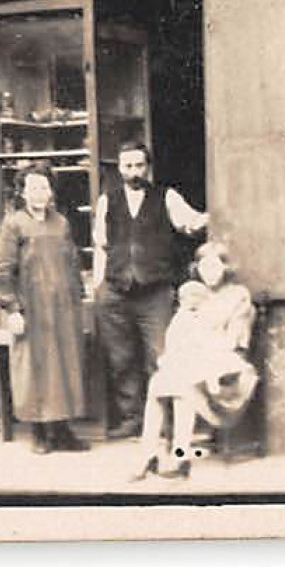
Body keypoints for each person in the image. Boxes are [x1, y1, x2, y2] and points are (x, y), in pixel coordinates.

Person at [91, 140, 209, 439]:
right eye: (127, 166)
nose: (133, 171)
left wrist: (208, 217)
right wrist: (99, 286)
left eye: (139, 165)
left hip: (154, 292)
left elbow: (190, 224)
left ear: (148, 167)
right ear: (119, 168)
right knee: (121, 359)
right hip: (116, 291)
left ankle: (167, 423)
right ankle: (132, 419)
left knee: (161, 356)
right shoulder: (108, 200)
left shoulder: (166, 197)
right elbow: (101, 245)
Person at [131, 241, 257, 480]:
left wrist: (197, 347)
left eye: (215, 266)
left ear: (225, 268)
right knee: (157, 384)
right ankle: (148, 455)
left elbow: (233, 341)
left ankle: (180, 456)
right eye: (203, 267)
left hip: (226, 363)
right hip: (192, 361)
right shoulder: (193, 295)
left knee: (181, 384)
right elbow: (177, 335)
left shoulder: (237, 296)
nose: (209, 273)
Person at [0, 164, 90, 454]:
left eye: (45, 187)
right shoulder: (13, 224)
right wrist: (11, 309)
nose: (40, 193)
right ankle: (39, 433)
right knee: (34, 369)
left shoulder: (61, 223)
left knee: (65, 368)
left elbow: (72, 263)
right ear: (22, 192)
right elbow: (2, 269)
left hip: (63, 309)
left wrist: (78, 300)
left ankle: (62, 431)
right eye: (33, 187)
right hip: (31, 309)